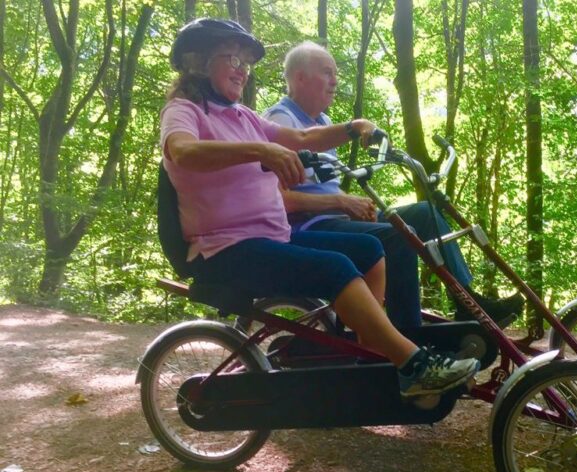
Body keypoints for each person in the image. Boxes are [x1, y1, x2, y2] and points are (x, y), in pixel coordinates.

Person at [160, 18, 479, 397]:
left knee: (372, 248)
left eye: (246, 62)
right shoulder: (184, 110)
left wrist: (351, 127)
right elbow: (182, 151)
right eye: (232, 58)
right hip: (224, 248)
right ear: (198, 62)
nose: (242, 70)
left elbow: (301, 137)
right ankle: (413, 367)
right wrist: (261, 149)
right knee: (337, 267)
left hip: (270, 238)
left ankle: (372, 352)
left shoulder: (243, 117)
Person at [264, 41, 524, 329]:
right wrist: (341, 202)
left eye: (335, 73)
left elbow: (322, 184)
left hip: (333, 217)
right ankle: (407, 334)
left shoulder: (321, 121)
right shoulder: (280, 120)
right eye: (327, 72)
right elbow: (278, 200)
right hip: (308, 226)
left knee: (426, 212)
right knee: (400, 236)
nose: (335, 80)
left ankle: (467, 303)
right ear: (300, 77)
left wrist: (348, 203)